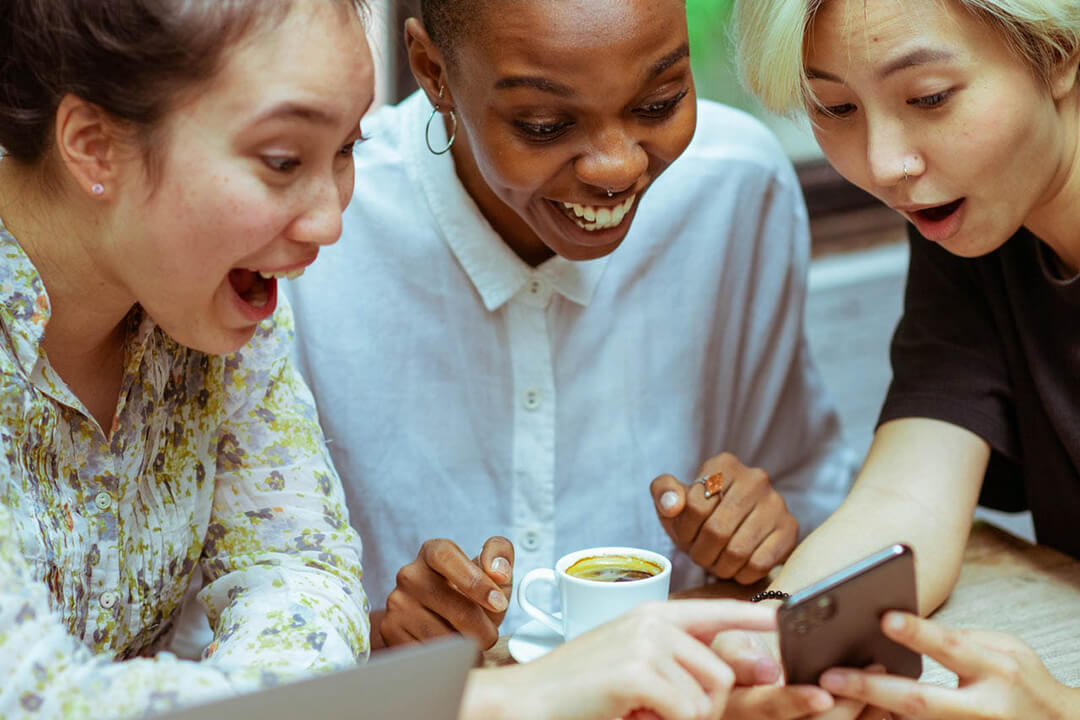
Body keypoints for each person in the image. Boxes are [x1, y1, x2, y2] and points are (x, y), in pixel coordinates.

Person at [0, 1, 798, 718]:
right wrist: (508, 698)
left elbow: (300, 578)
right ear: (93, 146)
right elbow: (37, 696)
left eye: (346, 149)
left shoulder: (208, 309)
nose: (329, 222)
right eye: (282, 161)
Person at [285, 0, 857, 650]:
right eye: (545, 124)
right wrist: (378, 639)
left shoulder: (735, 190)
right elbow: (226, 617)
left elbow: (812, 500)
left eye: (659, 103)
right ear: (431, 71)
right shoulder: (321, 239)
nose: (617, 167)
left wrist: (760, 538)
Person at [730, 0, 1080, 717]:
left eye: (929, 98)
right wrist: (759, 646)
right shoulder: (976, 222)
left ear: (1059, 52)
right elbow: (908, 499)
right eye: (834, 108)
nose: (886, 164)